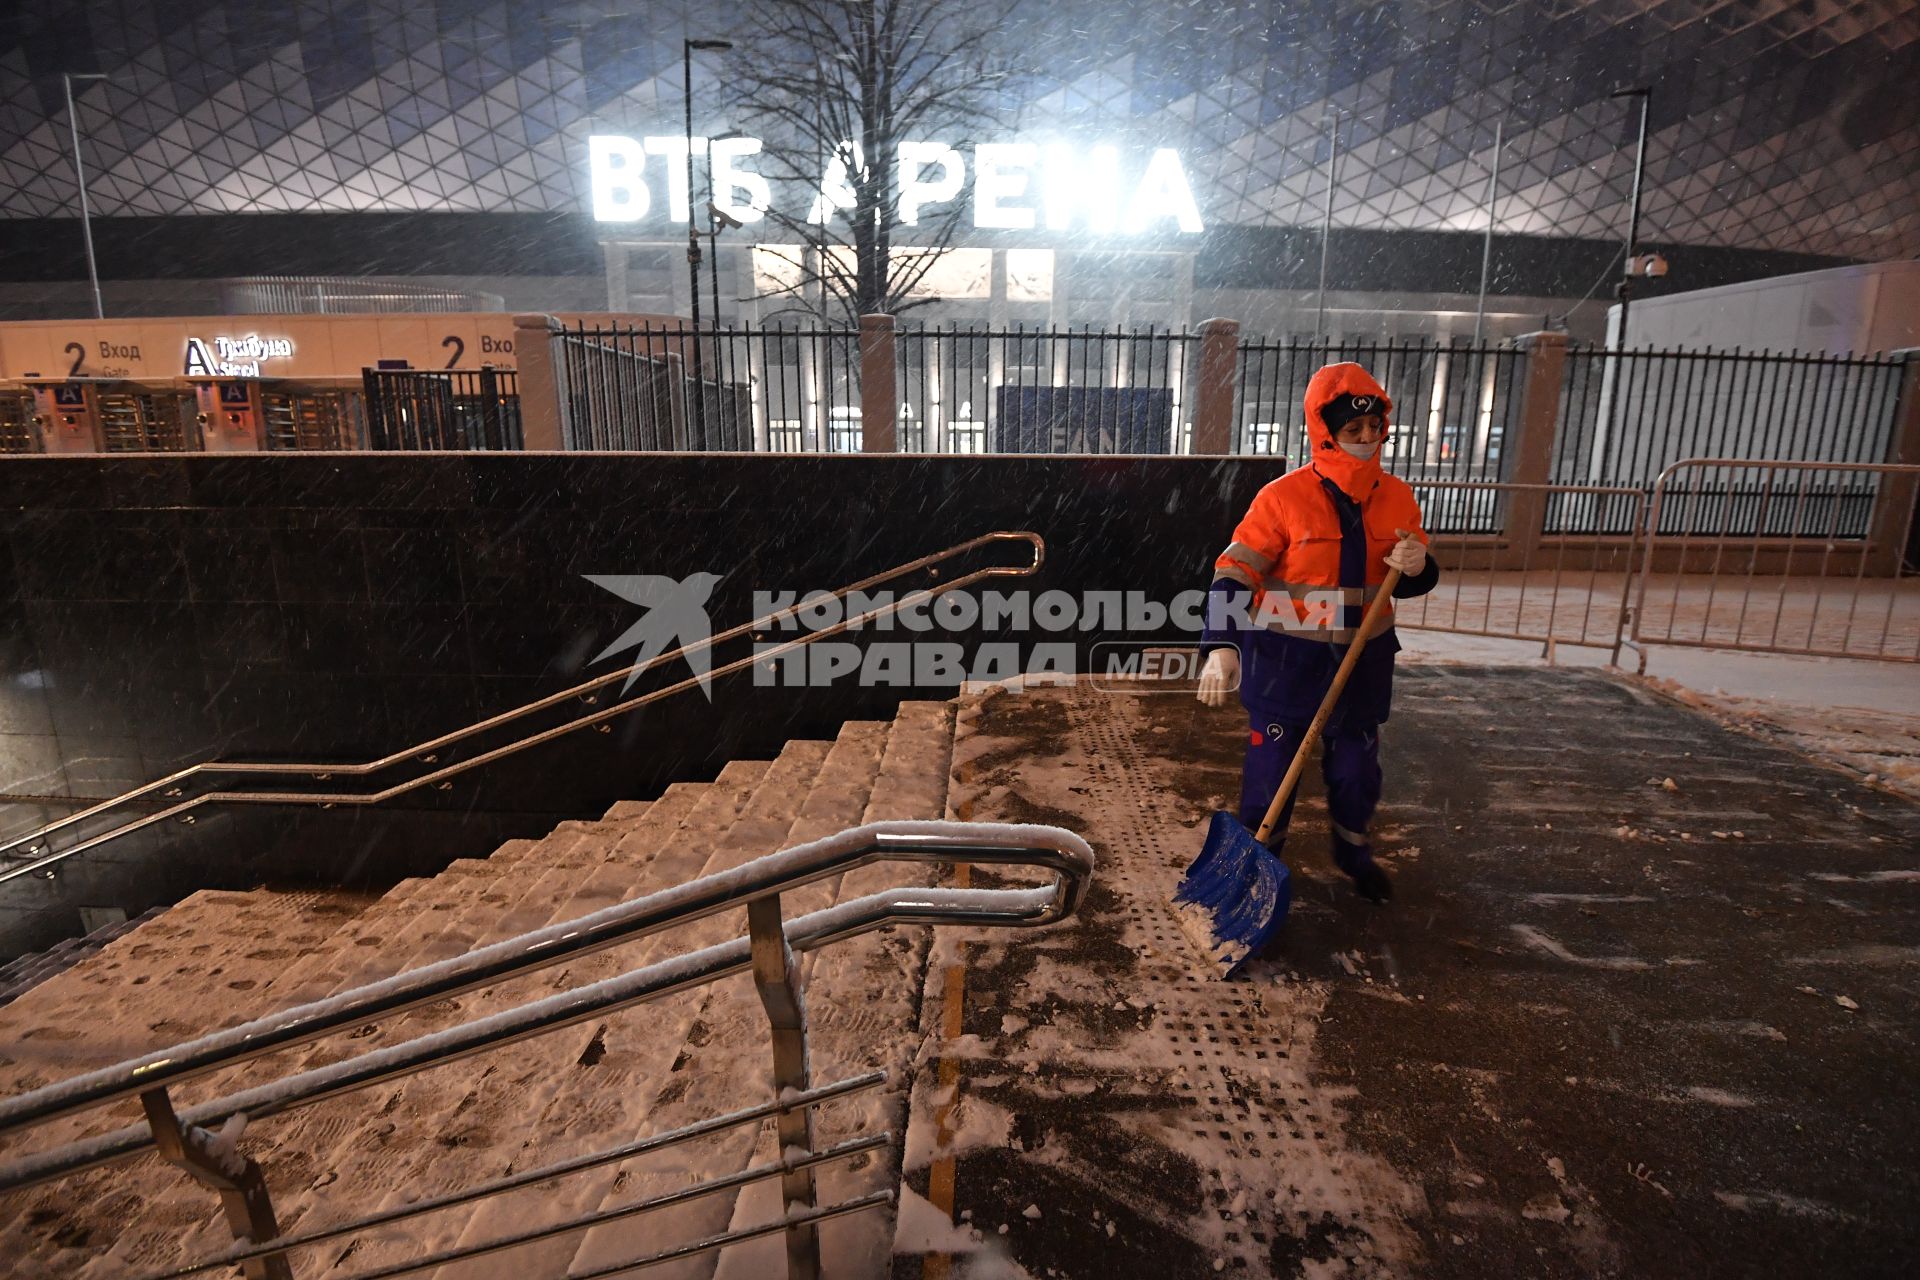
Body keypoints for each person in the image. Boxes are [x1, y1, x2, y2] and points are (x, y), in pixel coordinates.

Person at [1196, 361, 1440, 903]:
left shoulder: (1396, 497)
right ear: (1325, 431)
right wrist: (1222, 646)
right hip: (1288, 666)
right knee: (1271, 778)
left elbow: (1408, 581)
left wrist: (1419, 563)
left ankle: (1354, 854)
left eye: (1374, 428)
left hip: (1362, 664)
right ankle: (1254, 871)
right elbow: (1234, 572)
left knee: (1356, 773)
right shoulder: (1282, 499)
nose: (1366, 439)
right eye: (1354, 431)